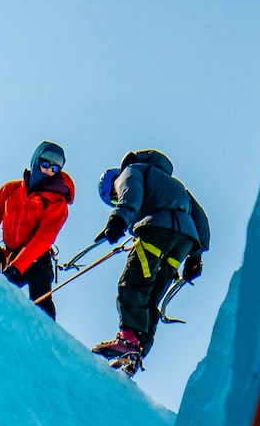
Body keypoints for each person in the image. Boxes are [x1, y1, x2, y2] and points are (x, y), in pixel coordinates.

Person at [89, 149, 210, 372]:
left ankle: (127, 341)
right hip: (183, 241)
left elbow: (130, 197)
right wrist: (196, 255)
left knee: (133, 284)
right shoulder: (172, 182)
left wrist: (118, 218)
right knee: (152, 295)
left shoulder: (130, 172)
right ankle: (138, 351)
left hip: (157, 230)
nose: (116, 198)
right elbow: (199, 216)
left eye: (113, 198)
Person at [0, 141, 75, 318]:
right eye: (45, 163)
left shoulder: (56, 202)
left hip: (37, 257)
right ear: (36, 161)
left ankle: (46, 338)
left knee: (41, 299)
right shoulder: (10, 190)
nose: (48, 170)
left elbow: (43, 240)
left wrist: (17, 268)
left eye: (55, 168)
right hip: (9, 255)